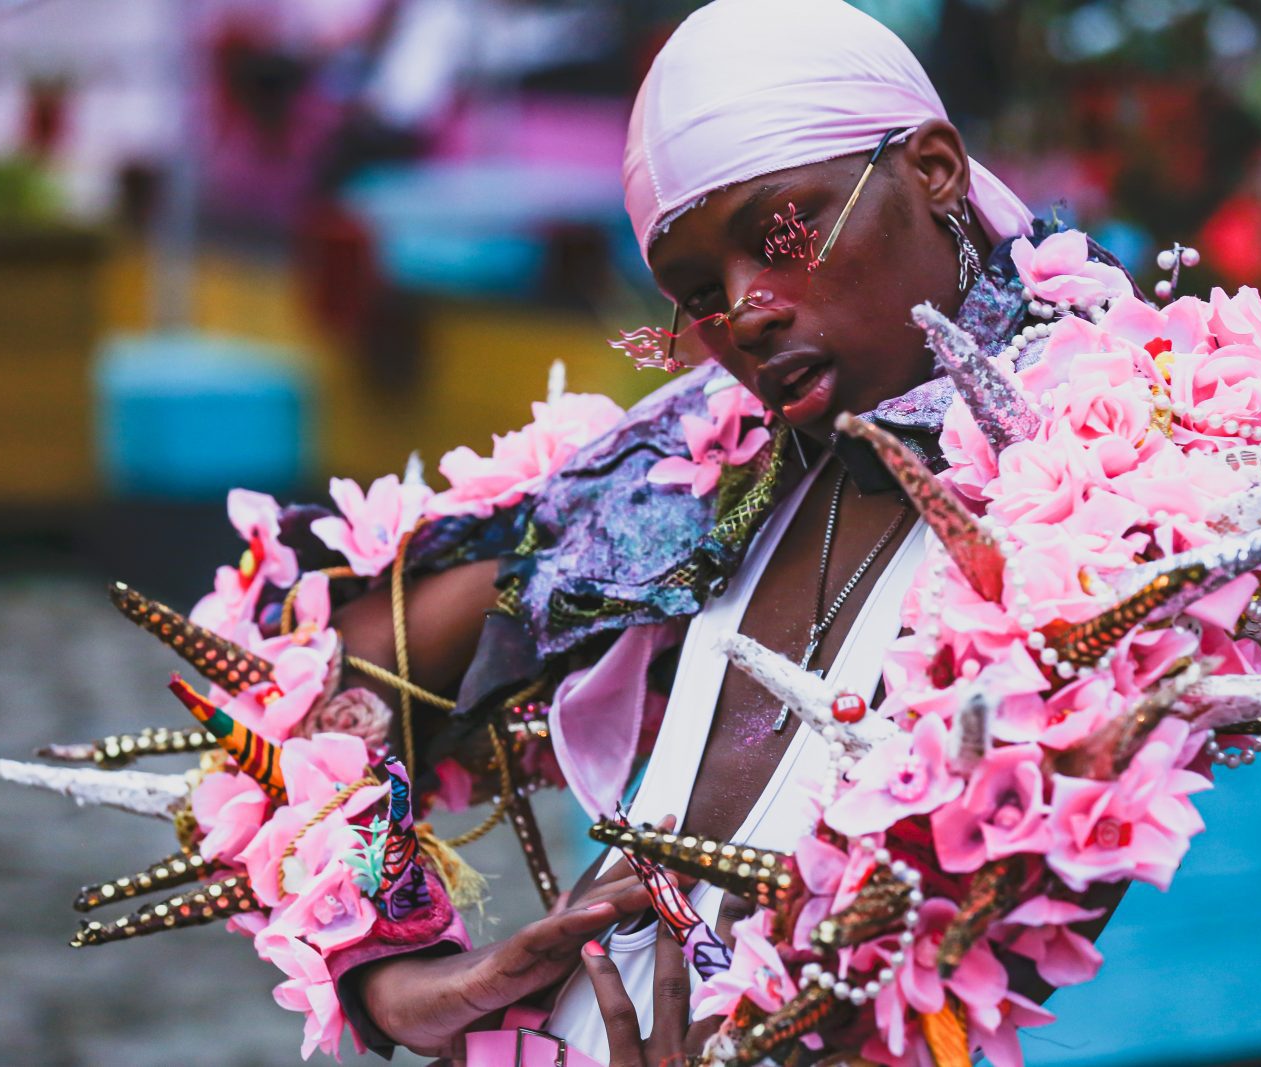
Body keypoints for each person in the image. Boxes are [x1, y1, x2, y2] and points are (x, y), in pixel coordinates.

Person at [329, 1, 1055, 1061]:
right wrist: (397, 974)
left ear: (935, 170)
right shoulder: (685, 477)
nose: (750, 310)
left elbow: (1003, 922)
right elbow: (305, 682)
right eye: (697, 294)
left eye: (782, 235)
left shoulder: (1115, 479)